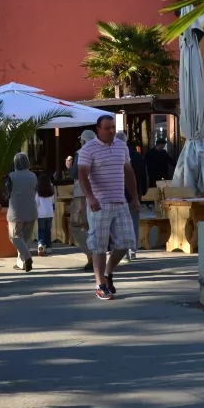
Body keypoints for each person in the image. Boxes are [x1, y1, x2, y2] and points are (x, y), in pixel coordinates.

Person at [78, 116, 138, 300]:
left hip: (120, 201)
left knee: (127, 242)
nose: (111, 131)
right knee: (99, 245)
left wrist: (135, 198)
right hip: (100, 204)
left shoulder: (122, 147)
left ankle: (108, 273)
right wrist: (90, 198)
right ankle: (100, 285)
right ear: (98, 129)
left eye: (113, 127)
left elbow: (129, 172)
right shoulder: (88, 149)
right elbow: (82, 175)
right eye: (107, 128)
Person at [117, 131, 149, 261]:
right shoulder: (136, 155)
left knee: (121, 225)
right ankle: (133, 249)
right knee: (134, 222)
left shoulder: (116, 155)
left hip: (119, 194)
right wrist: (143, 191)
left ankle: (124, 252)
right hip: (135, 194)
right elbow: (144, 174)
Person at [6, 152, 38, 273]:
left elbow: (7, 192)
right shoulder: (33, 176)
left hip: (16, 210)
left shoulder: (11, 176)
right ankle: (22, 263)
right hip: (31, 210)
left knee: (14, 236)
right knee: (26, 239)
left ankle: (27, 257)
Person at [71, 130, 96, 272]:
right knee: (93, 226)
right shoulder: (102, 150)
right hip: (99, 193)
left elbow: (75, 173)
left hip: (82, 193)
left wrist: (68, 166)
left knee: (77, 224)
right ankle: (97, 255)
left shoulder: (81, 152)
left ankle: (91, 255)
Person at [35, 173, 56, 257]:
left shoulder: (38, 192)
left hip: (41, 214)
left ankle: (40, 244)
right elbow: (53, 202)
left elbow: (36, 203)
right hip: (50, 213)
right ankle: (49, 247)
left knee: (41, 230)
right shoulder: (51, 192)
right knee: (48, 231)